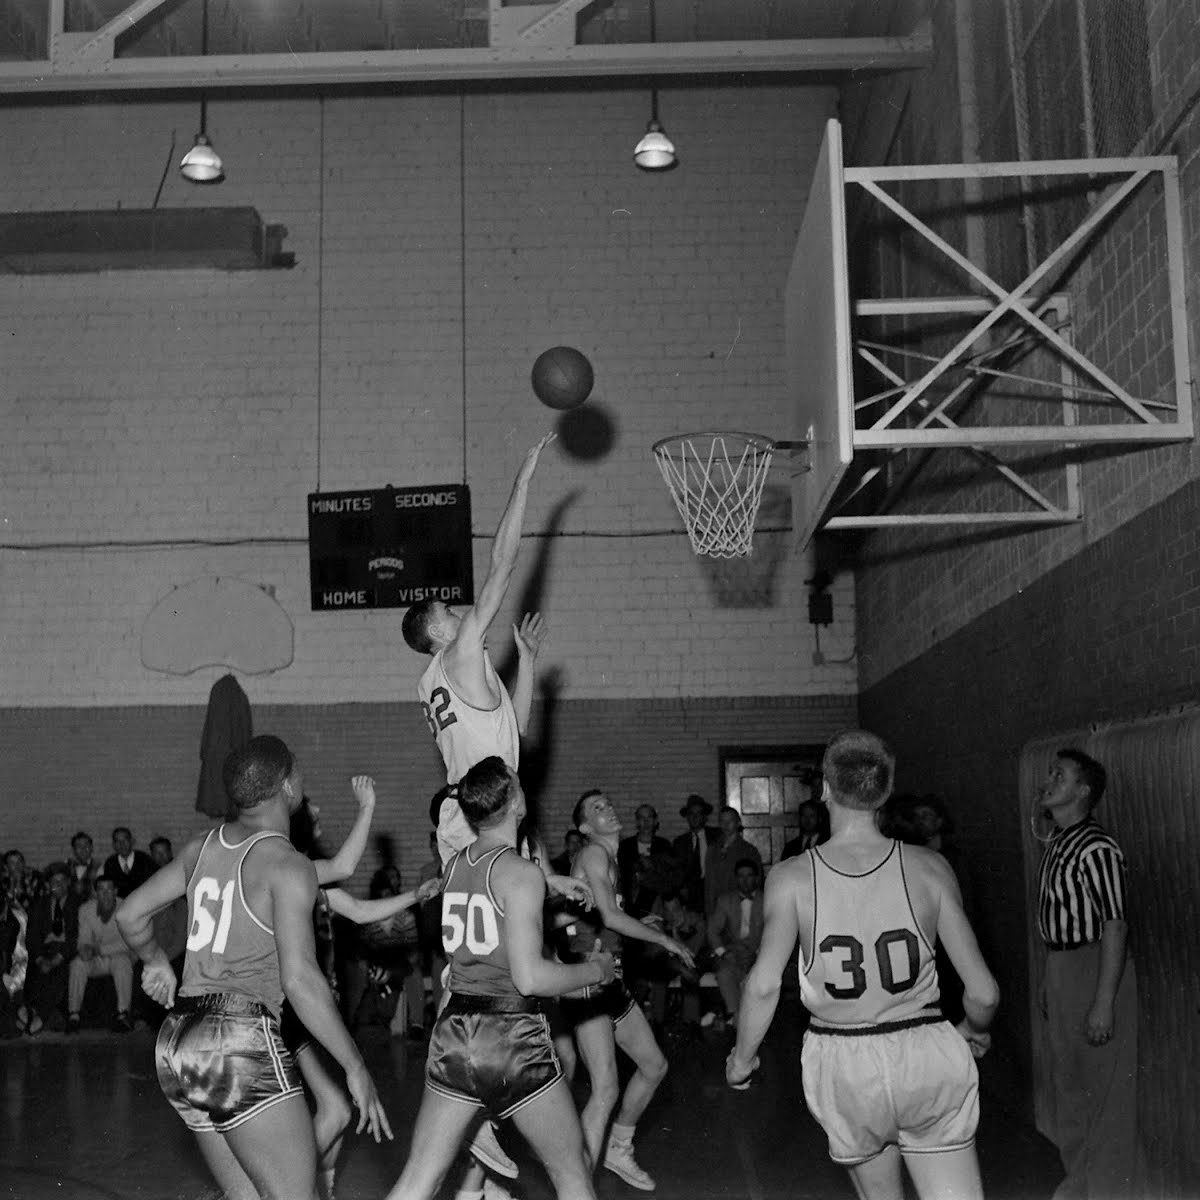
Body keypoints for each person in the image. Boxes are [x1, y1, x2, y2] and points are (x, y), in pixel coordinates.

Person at [727, 730, 999, 1200]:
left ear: (826, 790)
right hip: (925, 1049)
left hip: (845, 1058)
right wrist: (975, 1027)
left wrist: (741, 1059)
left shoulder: (791, 875)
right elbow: (984, 993)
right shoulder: (930, 866)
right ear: (886, 792)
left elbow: (764, 986)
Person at [115, 735, 391, 1200]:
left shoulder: (199, 848)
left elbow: (130, 914)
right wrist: (355, 1066)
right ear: (286, 786)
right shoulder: (287, 864)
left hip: (179, 1040)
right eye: (298, 771)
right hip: (239, 1038)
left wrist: (155, 961)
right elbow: (300, 978)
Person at [384, 757, 615, 1200]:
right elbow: (529, 978)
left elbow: (496, 929)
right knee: (572, 1174)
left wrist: (554, 886)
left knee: (418, 1180)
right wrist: (594, 971)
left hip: (454, 1030)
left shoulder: (452, 868)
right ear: (516, 803)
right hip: (509, 1034)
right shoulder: (521, 872)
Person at [401, 433, 554, 866]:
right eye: (449, 611)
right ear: (438, 631)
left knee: (479, 927)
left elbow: (514, 731)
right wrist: (521, 484)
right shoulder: (458, 651)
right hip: (480, 812)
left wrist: (527, 662)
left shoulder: (434, 680)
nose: (461, 614)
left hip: (471, 809)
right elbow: (502, 567)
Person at [566, 788, 696, 1192]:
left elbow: (605, 908)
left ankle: (618, 1148)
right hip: (587, 980)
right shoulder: (593, 853)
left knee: (654, 1066)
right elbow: (608, 915)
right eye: (596, 808)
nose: (608, 808)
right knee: (604, 1089)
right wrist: (666, 941)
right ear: (585, 827)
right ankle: (577, 1188)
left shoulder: (610, 859)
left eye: (608, 802)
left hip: (611, 980)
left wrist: (641, 916)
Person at [1034, 748, 1137, 1200]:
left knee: (1107, 1096)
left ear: (1084, 791)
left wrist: (1103, 1002)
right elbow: (1057, 924)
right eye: (1051, 773)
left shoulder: (1097, 847)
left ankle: (1110, 1192)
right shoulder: (1058, 842)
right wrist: (1049, 979)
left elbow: (1115, 924)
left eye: (1061, 775)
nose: (1049, 780)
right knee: (1070, 1088)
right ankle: (1080, 1185)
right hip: (1062, 969)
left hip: (1096, 969)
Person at [68, 873, 136, 1032]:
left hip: (121, 955)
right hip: (96, 957)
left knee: (122, 962)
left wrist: (99, 949)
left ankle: (123, 1013)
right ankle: (73, 1014)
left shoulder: (127, 907)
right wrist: (84, 949)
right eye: (100, 890)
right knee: (77, 964)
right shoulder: (85, 910)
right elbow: (83, 938)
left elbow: (128, 942)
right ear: (95, 893)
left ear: (116, 891)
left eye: (109, 889)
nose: (105, 894)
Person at [707, 857, 764, 1028]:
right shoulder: (725, 900)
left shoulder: (768, 899)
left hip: (759, 953)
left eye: (749, 876)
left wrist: (759, 954)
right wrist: (724, 953)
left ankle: (748, 1021)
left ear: (756, 877)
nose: (745, 880)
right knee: (724, 973)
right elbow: (712, 930)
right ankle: (735, 1016)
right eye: (740, 876)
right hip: (734, 952)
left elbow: (774, 932)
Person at [703, 806, 762, 917]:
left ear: (738, 823)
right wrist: (709, 911)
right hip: (717, 910)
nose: (726, 825)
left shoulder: (749, 851)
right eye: (722, 821)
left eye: (730, 821)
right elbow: (709, 884)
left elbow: (756, 883)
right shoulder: (712, 849)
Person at [672, 795, 717, 913]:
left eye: (699, 813)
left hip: (713, 889)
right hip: (689, 894)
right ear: (687, 817)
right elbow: (676, 871)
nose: (695, 817)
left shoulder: (717, 837)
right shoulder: (680, 842)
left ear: (704, 816)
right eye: (691, 813)